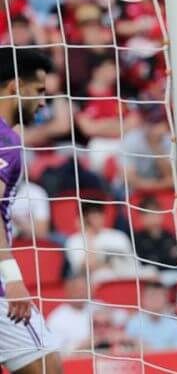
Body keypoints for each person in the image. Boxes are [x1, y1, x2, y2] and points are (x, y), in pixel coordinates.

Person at [0, 47, 63, 373]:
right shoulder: (4, 139)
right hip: (1, 293)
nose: (43, 102)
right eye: (38, 91)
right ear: (14, 87)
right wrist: (12, 279)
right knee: (47, 365)